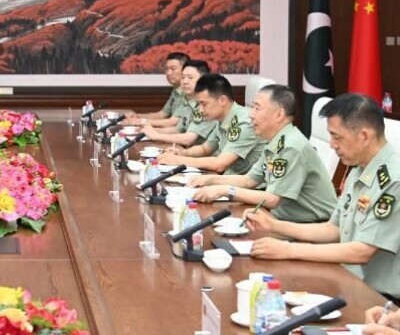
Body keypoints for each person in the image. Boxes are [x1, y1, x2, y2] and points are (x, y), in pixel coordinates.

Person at [245, 93, 400, 302]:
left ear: (364, 136)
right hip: (348, 280)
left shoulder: (393, 180)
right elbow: (333, 229)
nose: (332, 145)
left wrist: (288, 249)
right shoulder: (359, 168)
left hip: (380, 299)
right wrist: (273, 226)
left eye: (337, 137)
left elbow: (362, 251)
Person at [190, 84, 337, 222]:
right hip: (282, 219)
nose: (251, 115)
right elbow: (248, 180)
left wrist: (225, 190)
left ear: (279, 114)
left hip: (312, 227)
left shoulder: (290, 146)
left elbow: (272, 199)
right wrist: (209, 181)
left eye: (257, 108)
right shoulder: (275, 141)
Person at [158, 74, 265, 174]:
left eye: (203, 104)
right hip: (226, 180)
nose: (200, 110)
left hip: (247, 189)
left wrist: (178, 160)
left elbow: (220, 164)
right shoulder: (223, 118)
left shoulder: (245, 123)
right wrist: (183, 153)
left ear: (222, 100)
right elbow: (205, 148)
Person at [141, 60, 217, 147]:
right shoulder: (190, 101)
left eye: (190, 78)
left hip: (205, 158)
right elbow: (178, 130)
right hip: (190, 153)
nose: (185, 82)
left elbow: (188, 139)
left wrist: (157, 135)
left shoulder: (207, 105)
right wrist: (151, 131)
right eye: (183, 77)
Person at [124, 52, 189, 126]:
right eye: (167, 69)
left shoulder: (190, 92)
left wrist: (140, 121)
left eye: (173, 69)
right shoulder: (176, 90)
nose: (168, 73)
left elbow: (172, 123)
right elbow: (162, 114)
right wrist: (137, 116)